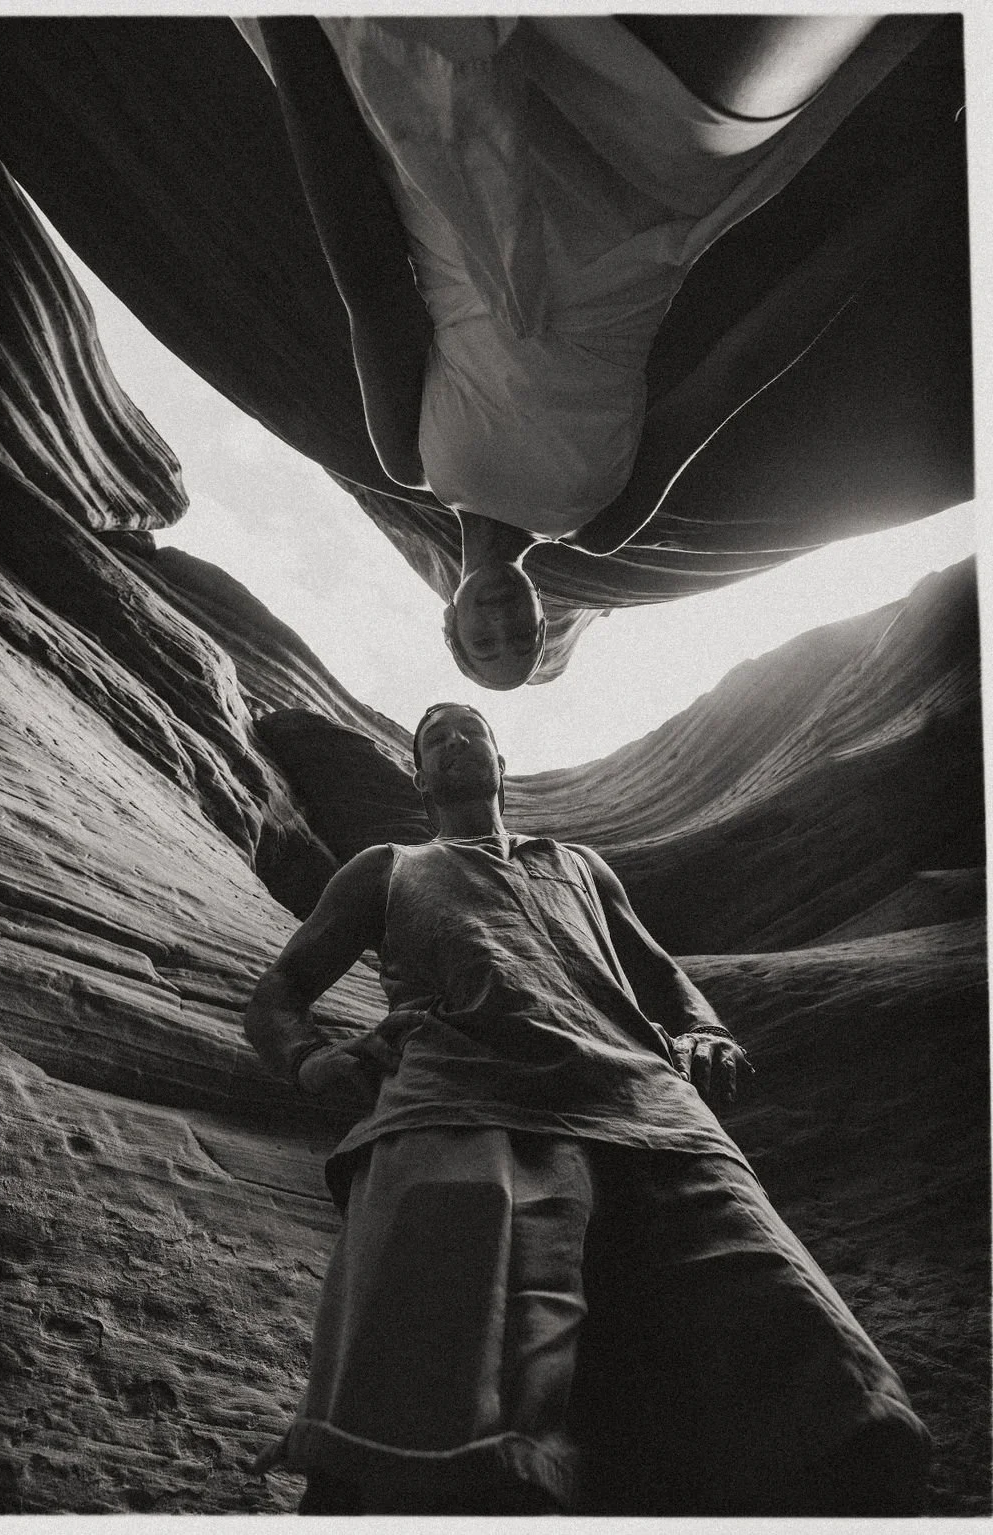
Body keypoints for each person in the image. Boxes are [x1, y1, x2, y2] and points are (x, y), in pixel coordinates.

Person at [244, 701, 931, 1515]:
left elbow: (658, 971)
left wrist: (703, 1027)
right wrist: (312, 1060)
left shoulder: (578, 864)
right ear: (420, 778)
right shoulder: (386, 867)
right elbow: (278, 992)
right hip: (462, 1110)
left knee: (821, 1382)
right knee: (444, 1427)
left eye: (474, 731)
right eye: (437, 739)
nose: (459, 742)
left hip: (657, 1115)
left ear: (501, 760)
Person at [236, 15, 937, 688]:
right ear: (545, 623)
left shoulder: (412, 456)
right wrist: (902, 214)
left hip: (483, 193)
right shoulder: (602, 524)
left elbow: (369, 273)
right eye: (522, 639)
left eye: (484, 643)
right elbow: (738, 372)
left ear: (450, 623)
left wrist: (292, 41)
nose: (504, 625)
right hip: (649, 218)